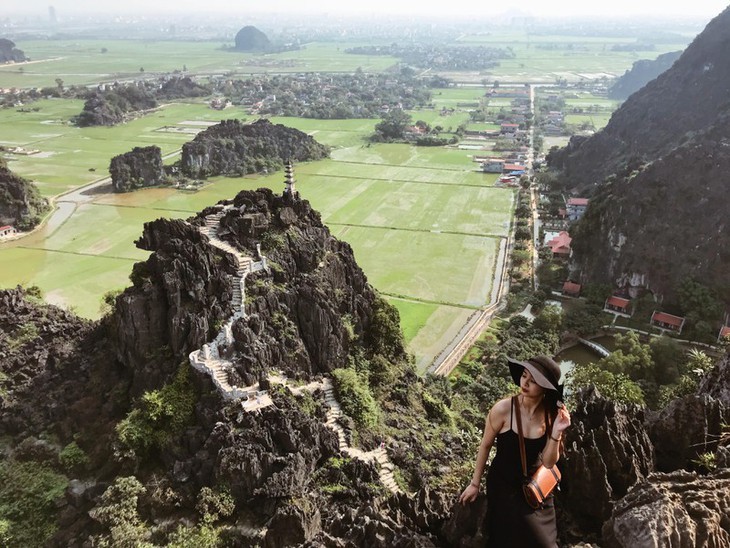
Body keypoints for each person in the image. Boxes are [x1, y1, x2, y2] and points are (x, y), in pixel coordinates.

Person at [458, 355, 571, 547]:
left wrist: (557, 432)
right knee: (520, 533)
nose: (525, 382)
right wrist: (475, 483)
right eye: (524, 375)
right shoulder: (503, 409)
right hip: (504, 483)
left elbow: (549, 462)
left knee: (546, 542)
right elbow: (485, 445)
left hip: (535, 484)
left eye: (533, 380)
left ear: (545, 388)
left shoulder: (551, 415)